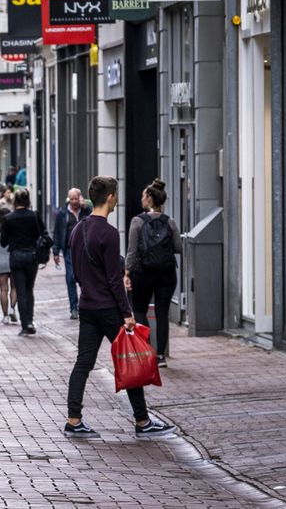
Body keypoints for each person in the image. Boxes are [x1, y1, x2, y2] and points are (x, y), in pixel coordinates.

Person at [64, 176, 175, 439]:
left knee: (83, 362)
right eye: (116, 195)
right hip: (108, 308)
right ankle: (142, 421)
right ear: (111, 198)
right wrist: (127, 313)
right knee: (130, 360)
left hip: (87, 305)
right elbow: (115, 279)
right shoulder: (109, 233)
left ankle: (74, 418)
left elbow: (77, 271)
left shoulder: (77, 230)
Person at [125, 179, 182, 367]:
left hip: (142, 273)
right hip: (166, 273)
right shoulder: (170, 222)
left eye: (143, 196)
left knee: (139, 310)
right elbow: (178, 247)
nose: (142, 198)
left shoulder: (137, 221)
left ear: (149, 198)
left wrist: (127, 272)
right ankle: (160, 357)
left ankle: (147, 350)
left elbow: (132, 251)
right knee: (162, 313)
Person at [0, 189, 48, 336]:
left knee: (20, 290)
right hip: (31, 256)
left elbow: (3, 242)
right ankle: (29, 320)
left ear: (15, 202)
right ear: (28, 201)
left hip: (16, 257)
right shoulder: (34, 216)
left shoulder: (8, 218)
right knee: (29, 289)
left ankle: (24, 323)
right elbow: (42, 234)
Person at [53, 188, 92, 320]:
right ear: (68, 199)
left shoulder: (86, 211)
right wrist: (56, 251)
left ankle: (85, 306)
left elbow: (94, 218)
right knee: (70, 277)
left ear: (80, 198)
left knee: (85, 278)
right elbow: (57, 233)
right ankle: (74, 308)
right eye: (72, 199)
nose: (74, 201)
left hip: (85, 249)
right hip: (69, 250)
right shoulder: (62, 213)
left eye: (76, 198)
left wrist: (87, 207)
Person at [0, 207, 17, 324]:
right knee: (15, 288)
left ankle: (5, 316)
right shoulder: (15, 231)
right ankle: (12, 309)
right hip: (13, 260)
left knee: (3, 289)